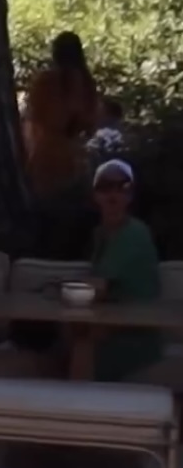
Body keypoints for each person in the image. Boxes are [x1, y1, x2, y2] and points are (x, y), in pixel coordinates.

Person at [88, 157, 163, 382]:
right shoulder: (101, 234)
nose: (113, 195)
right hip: (111, 323)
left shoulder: (133, 233)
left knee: (79, 338)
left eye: (122, 187)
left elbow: (96, 289)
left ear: (130, 196)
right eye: (105, 187)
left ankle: (80, 400)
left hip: (135, 332)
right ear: (95, 195)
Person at [23, 30, 101, 198]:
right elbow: (92, 125)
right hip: (76, 155)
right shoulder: (86, 83)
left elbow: (34, 119)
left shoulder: (45, 81)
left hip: (46, 156)